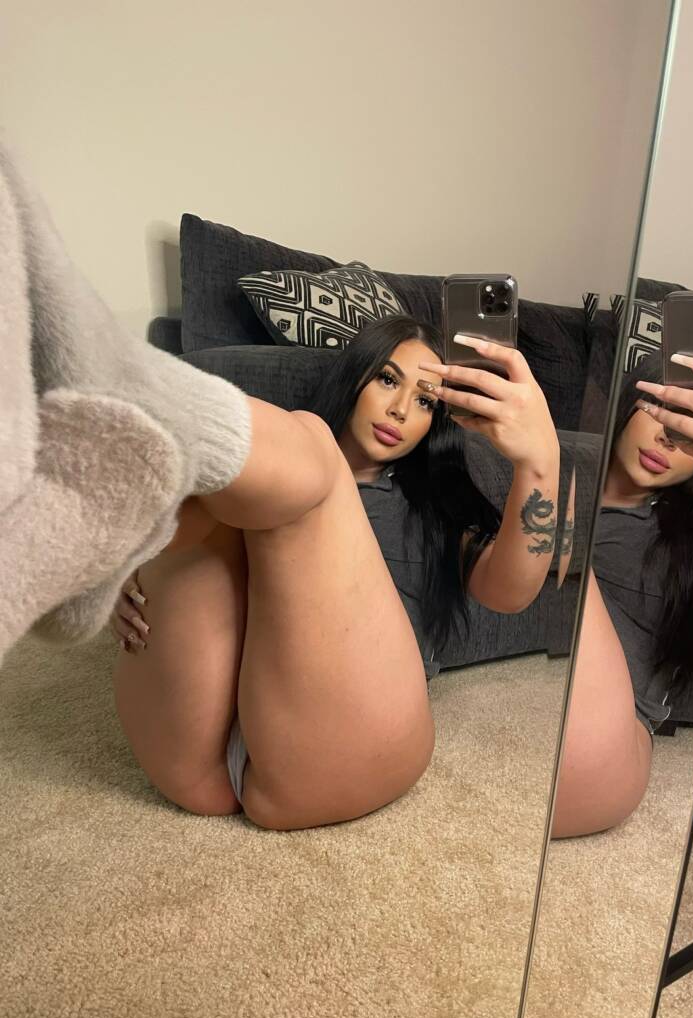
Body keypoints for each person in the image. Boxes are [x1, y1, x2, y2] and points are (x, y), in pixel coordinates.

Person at [110, 314, 565, 833]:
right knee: (212, 496)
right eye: (388, 379)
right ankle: (116, 458)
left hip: (343, 742)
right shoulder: (275, 463)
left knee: (311, 450)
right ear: (355, 376)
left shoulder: (434, 513)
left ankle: (132, 392)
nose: (400, 409)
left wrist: (541, 461)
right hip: (199, 745)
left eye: (425, 402)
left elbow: (511, 592)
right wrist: (125, 574)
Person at [551, 349, 693, 836]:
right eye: (661, 413)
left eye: (692, 436)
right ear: (629, 405)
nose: (667, 440)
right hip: (518, 697)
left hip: (603, 746)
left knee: (563, 554)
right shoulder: (562, 471)